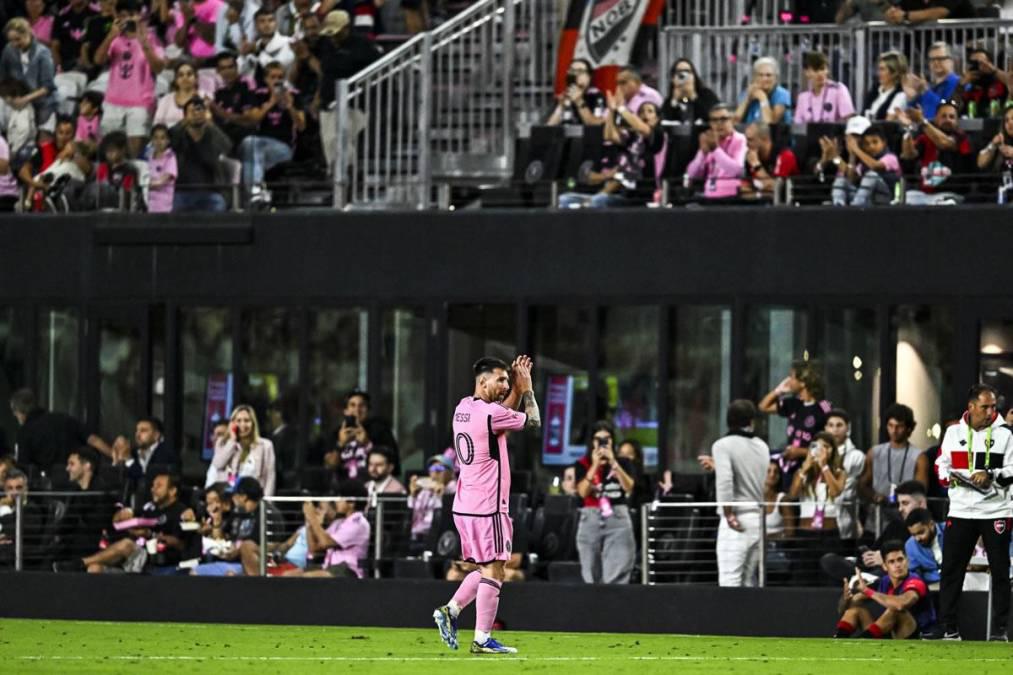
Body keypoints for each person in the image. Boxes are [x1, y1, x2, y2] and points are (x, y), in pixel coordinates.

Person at [432, 355, 541, 655]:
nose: (506, 385)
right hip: (488, 506)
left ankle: (451, 611)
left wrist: (514, 391)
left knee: (486, 568)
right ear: (482, 381)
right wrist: (527, 389)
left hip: (465, 504)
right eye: (501, 380)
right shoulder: (491, 414)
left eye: (508, 379)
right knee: (496, 570)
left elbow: (499, 415)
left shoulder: (464, 408)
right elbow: (533, 422)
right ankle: (482, 639)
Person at [934, 384, 1013, 641]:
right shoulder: (952, 432)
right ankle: (949, 628)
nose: (991, 412)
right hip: (961, 510)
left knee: (1001, 570)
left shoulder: (1005, 435)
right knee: (951, 570)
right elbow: (940, 465)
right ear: (971, 407)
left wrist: (991, 475)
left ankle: (1000, 631)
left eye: (993, 407)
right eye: (985, 407)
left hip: (996, 510)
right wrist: (951, 478)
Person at [60, 472, 196, 573]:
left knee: (126, 545)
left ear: (172, 491)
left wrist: (151, 535)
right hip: (133, 560)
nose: (153, 489)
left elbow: (181, 544)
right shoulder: (150, 508)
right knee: (94, 569)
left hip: (158, 562)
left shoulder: (181, 511)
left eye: (159, 486)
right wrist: (125, 516)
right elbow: (120, 520)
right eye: (153, 485)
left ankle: (79, 563)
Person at [557, 99, 666, 208]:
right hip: (621, 193)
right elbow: (609, 135)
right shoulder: (632, 137)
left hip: (641, 195)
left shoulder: (658, 135)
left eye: (650, 111)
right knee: (564, 199)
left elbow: (641, 127)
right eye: (641, 111)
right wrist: (611, 110)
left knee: (598, 201)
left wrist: (621, 107)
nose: (645, 114)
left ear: (657, 118)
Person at [313, 9, 382, 175]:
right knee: (329, 142)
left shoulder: (362, 45)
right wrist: (317, 96)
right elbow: (324, 72)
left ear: (346, 28)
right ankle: (336, 180)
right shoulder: (326, 44)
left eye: (336, 33)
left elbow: (377, 71)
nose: (333, 37)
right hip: (328, 101)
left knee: (343, 142)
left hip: (352, 103)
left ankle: (348, 179)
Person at [94, 1, 165, 158]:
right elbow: (98, 61)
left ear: (139, 16)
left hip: (140, 103)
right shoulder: (114, 40)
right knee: (109, 151)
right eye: (122, 16)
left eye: (131, 15)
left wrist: (144, 43)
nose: (127, 19)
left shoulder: (151, 38)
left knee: (134, 154)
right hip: (113, 101)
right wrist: (110, 37)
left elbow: (159, 68)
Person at [712, 400, 769, 587]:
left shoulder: (722, 445)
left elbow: (726, 480)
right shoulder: (762, 446)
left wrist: (728, 513)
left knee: (729, 581)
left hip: (736, 520)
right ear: (751, 421)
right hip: (757, 518)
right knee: (748, 582)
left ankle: (728, 618)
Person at [573, 421, 636, 585]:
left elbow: (629, 487)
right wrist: (594, 466)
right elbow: (582, 492)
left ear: (612, 441)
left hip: (617, 516)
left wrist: (614, 463)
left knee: (617, 573)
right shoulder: (582, 463)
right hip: (591, 515)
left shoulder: (623, 462)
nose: (602, 444)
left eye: (606, 440)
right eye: (598, 440)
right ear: (592, 442)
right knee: (589, 573)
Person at [833, 541, 936, 639]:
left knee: (895, 610)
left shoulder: (916, 581)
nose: (897, 565)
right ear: (885, 566)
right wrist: (846, 600)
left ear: (907, 561)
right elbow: (844, 608)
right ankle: (837, 641)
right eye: (892, 562)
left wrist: (868, 591)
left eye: (900, 559)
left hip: (919, 636)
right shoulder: (884, 581)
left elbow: (900, 604)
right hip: (892, 634)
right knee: (855, 611)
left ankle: (863, 641)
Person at [238, 60, 305, 205]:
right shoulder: (259, 95)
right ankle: (257, 196)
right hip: (258, 145)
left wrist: (290, 107)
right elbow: (253, 120)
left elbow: (301, 126)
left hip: (283, 148)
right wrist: (271, 103)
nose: (276, 81)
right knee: (251, 147)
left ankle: (252, 195)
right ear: (266, 79)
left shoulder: (293, 94)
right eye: (273, 77)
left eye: (280, 77)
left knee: (252, 149)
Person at [758, 360, 832, 491]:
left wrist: (801, 452)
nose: (788, 380)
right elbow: (763, 406)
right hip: (790, 469)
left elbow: (831, 446)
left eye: (791, 377)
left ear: (803, 382)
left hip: (812, 470)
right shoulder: (793, 404)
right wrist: (778, 391)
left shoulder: (824, 408)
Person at [9, 388, 114, 471]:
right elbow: (93, 440)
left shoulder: (24, 433)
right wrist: (115, 456)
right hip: (77, 479)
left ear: (19, 411)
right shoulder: (64, 419)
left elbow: (23, 466)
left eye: (14, 412)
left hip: (48, 488)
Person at [286, 480, 371, 579]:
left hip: (348, 570)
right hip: (329, 567)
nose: (336, 501)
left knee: (306, 578)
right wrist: (308, 521)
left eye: (340, 498)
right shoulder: (339, 522)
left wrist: (313, 518)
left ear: (351, 502)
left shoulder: (358, 523)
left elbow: (326, 542)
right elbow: (314, 548)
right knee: (288, 576)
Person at [859, 403, 920, 533]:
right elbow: (863, 484)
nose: (894, 430)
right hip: (876, 520)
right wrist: (875, 496)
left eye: (899, 426)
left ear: (909, 428)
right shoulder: (874, 452)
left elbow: (921, 490)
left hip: (906, 521)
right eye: (891, 425)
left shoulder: (919, 456)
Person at [898, 100, 972, 204]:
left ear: (957, 121)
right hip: (925, 195)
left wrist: (921, 121)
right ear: (936, 119)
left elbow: (944, 143)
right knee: (905, 200)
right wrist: (908, 128)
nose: (948, 120)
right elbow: (909, 155)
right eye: (944, 116)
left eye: (951, 117)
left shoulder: (961, 137)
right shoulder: (924, 136)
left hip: (951, 194)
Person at [169, 96, 232, 212]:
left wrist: (210, 123)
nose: (196, 114)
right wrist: (183, 123)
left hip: (210, 192)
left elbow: (227, 146)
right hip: (182, 192)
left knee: (219, 206)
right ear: (185, 116)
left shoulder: (212, 134)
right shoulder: (178, 135)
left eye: (200, 110)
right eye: (192, 111)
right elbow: (167, 141)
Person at [191, 475, 263, 576]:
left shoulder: (264, 513)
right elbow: (221, 540)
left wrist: (238, 551)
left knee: (229, 574)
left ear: (243, 497)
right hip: (230, 562)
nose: (232, 499)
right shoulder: (237, 513)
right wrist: (216, 520)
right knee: (195, 571)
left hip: (250, 565)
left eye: (234, 495)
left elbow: (265, 547)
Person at [1, 17, 57, 136]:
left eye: (18, 39)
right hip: (17, 99)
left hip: (42, 102)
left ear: (28, 33)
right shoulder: (8, 50)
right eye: (11, 40)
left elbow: (48, 86)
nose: (15, 44)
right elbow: (3, 77)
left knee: (44, 137)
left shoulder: (43, 53)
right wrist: (7, 96)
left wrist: (25, 99)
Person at [685, 103, 747, 201]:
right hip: (708, 196)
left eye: (723, 119)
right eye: (714, 120)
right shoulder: (710, 140)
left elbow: (736, 171)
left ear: (733, 120)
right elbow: (692, 174)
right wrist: (702, 153)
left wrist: (715, 150)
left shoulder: (740, 140)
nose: (718, 124)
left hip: (731, 198)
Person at [212, 404, 277, 496]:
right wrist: (232, 440)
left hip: (254, 500)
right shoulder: (223, 443)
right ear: (232, 423)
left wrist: (265, 504)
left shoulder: (265, 446)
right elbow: (218, 465)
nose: (243, 424)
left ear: (253, 423)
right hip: (228, 499)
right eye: (238, 421)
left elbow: (270, 478)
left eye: (247, 421)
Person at [830, 125, 901, 206]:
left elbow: (875, 166)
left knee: (871, 175)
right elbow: (851, 179)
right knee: (841, 181)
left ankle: (856, 207)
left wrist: (856, 149)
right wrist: (852, 155)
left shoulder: (891, 157)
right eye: (867, 144)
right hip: (869, 200)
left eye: (875, 142)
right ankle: (838, 206)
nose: (871, 146)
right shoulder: (862, 164)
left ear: (884, 143)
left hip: (888, 199)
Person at [825, 409, 866, 541]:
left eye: (839, 425)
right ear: (825, 428)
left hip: (845, 518)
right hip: (822, 520)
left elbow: (847, 490)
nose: (834, 430)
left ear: (847, 428)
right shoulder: (819, 454)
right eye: (830, 425)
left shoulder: (856, 456)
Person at [740, 121, 799, 200]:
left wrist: (756, 166)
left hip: (788, 205)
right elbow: (743, 188)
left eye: (750, 140)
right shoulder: (751, 155)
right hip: (759, 205)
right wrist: (761, 195)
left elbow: (777, 189)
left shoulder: (785, 155)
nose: (746, 144)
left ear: (765, 139)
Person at [114, 416, 179, 485]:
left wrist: (129, 459)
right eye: (137, 430)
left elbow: (146, 480)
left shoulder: (166, 453)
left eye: (143, 431)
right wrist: (117, 459)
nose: (137, 435)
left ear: (156, 435)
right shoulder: (133, 452)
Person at [408, 454, 456, 548]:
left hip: (441, 538)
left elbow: (446, 517)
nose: (435, 473)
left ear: (451, 472)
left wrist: (441, 495)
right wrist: (413, 495)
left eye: (439, 468)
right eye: (432, 469)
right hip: (418, 536)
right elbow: (413, 513)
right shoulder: (425, 490)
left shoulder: (455, 489)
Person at [210, 51, 255, 149]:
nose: (227, 71)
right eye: (223, 68)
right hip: (223, 137)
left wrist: (221, 112)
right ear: (218, 71)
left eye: (231, 67)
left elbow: (249, 121)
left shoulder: (246, 85)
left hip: (242, 137)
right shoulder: (219, 93)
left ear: (237, 68)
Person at [903, 42, 960, 121]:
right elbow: (912, 114)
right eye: (932, 59)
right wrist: (911, 98)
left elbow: (945, 111)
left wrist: (926, 91)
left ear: (951, 61)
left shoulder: (958, 83)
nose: (936, 62)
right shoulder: (929, 87)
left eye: (940, 59)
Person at [794, 51, 855, 124]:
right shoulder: (802, 98)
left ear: (827, 70)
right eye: (816, 70)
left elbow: (848, 120)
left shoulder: (839, 89)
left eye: (822, 69)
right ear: (807, 72)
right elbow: (797, 126)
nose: (820, 73)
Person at [546, 58, 605, 126]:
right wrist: (561, 106)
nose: (575, 74)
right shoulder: (563, 97)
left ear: (589, 76)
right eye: (572, 70)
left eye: (580, 71)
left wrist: (579, 101)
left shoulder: (596, 96)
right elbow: (548, 127)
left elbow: (597, 126)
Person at [734, 57, 791, 126]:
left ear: (776, 77)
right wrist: (747, 99)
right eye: (760, 75)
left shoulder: (782, 94)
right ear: (755, 77)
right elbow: (735, 122)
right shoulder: (747, 92)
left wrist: (762, 98)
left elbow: (771, 124)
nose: (764, 79)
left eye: (768, 75)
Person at [239, 8, 294, 80]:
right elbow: (241, 73)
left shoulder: (289, 42)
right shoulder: (253, 48)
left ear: (276, 23)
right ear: (256, 25)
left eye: (270, 20)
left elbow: (276, 68)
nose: (267, 24)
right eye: (262, 21)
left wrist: (258, 54)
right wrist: (243, 55)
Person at [661, 58, 719, 126]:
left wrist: (693, 96)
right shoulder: (669, 101)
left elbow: (714, 116)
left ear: (694, 75)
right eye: (679, 72)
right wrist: (674, 101)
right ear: (673, 77)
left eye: (687, 71)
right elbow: (665, 122)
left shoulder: (707, 94)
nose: (683, 75)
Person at [956, 47, 1009, 119]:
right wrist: (961, 85)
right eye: (974, 63)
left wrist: (994, 70)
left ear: (990, 63)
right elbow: (953, 107)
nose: (978, 67)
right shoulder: (967, 88)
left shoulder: (999, 83)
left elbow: (1010, 82)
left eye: (981, 62)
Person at [154, 62, 209, 129]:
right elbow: (157, 126)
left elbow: (208, 123)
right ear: (176, 80)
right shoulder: (165, 100)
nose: (185, 78)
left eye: (189, 74)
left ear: (196, 78)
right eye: (181, 75)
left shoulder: (203, 97)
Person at [174, 0, 225, 65]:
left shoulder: (217, 4)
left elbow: (213, 38)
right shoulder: (184, 8)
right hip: (194, 62)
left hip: (215, 60)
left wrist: (193, 19)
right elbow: (179, 43)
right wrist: (187, 20)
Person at [904, 507, 944, 587]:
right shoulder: (910, 545)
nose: (917, 538)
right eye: (913, 535)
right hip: (931, 586)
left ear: (931, 524)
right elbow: (915, 574)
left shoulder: (949, 531)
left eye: (921, 533)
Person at [864, 51, 907, 121]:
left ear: (894, 73)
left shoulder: (901, 95)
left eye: (882, 69)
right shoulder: (875, 90)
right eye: (879, 69)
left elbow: (888, 122)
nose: (878, 73)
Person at [146, 124, 177, 213]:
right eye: (155, 138)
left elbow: (162, 182)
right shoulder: (148, 156)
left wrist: (145, 185)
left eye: (162, 138)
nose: (159, 141)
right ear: (151, 140)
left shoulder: (170, 157)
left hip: (165, 206)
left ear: (168, 140)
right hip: (150, 205)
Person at [884, 0, 975, 24]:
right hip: (928, 46)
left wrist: (905, 16)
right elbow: (897, 11)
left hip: (964, 42)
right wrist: (891, 15)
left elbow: (941, 11)